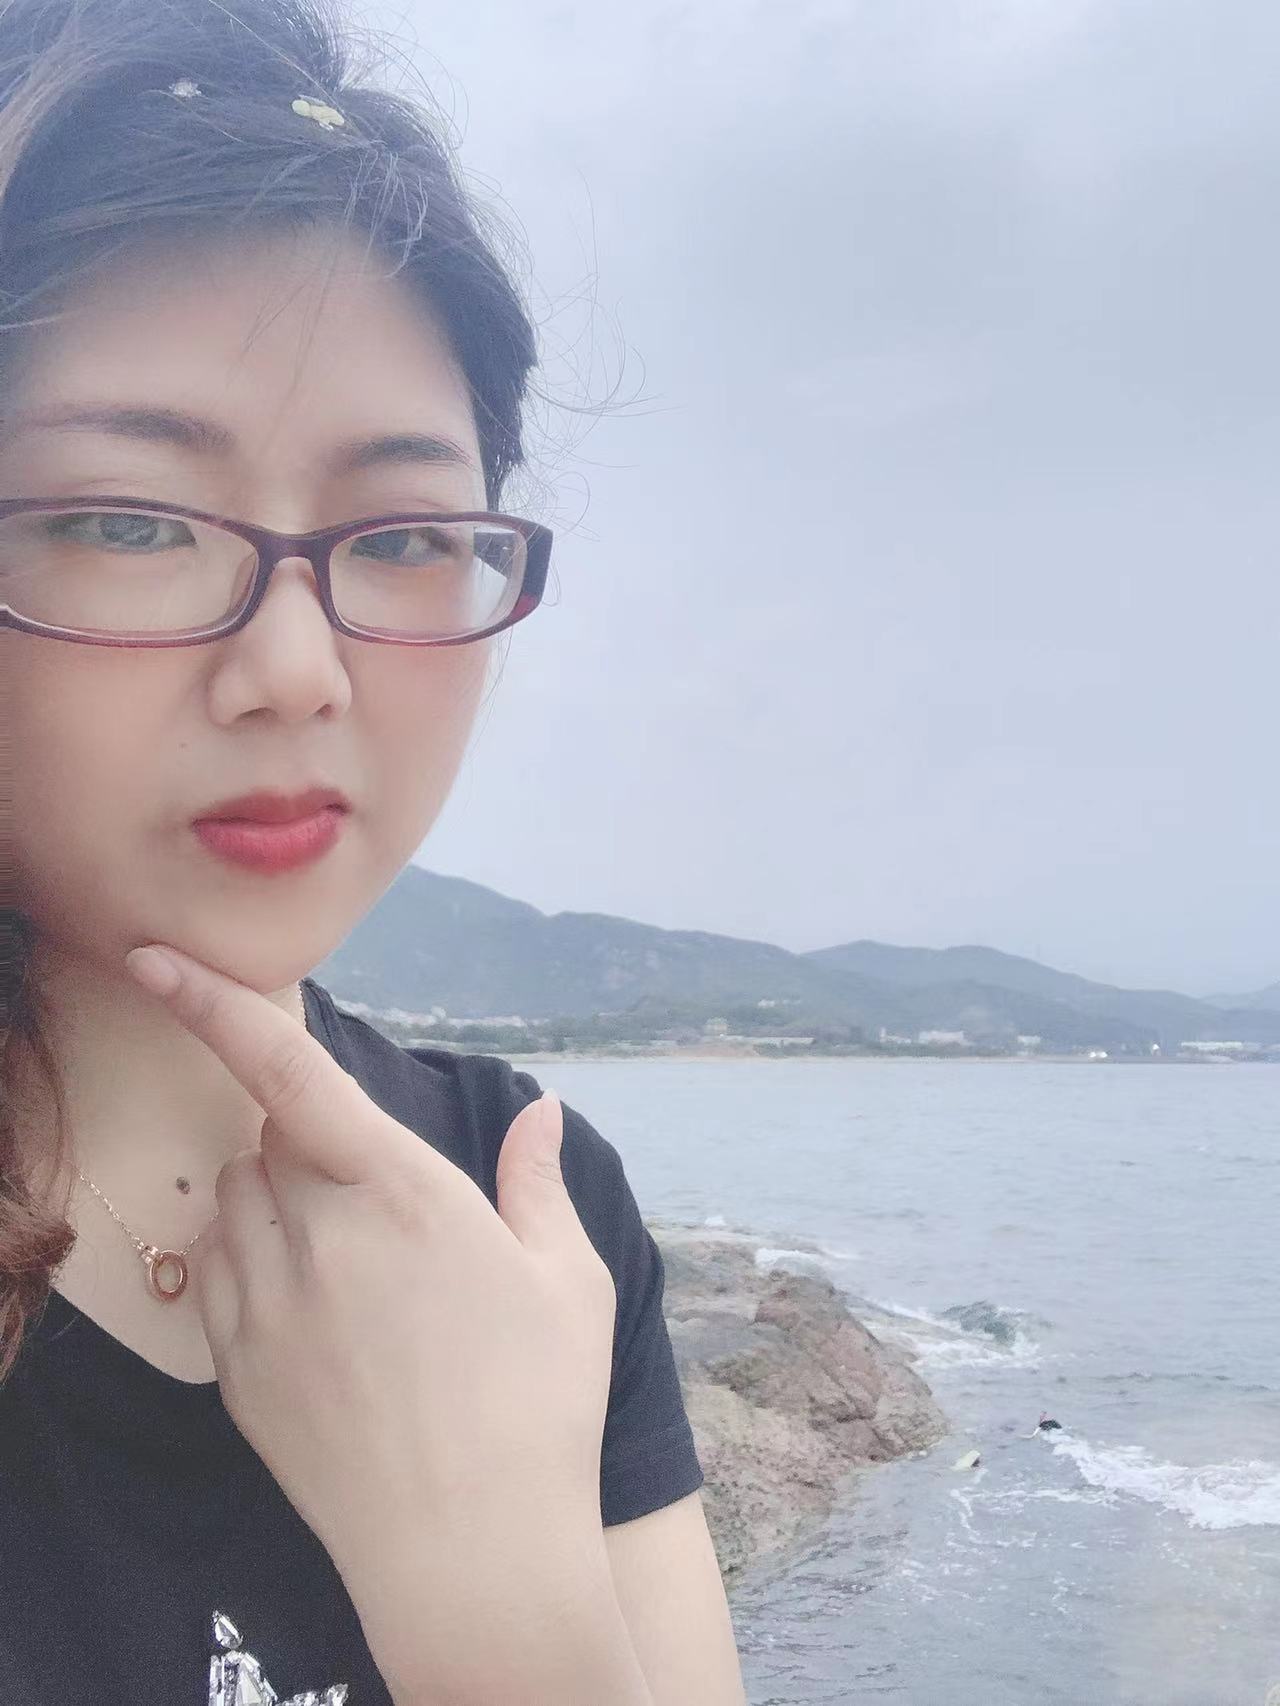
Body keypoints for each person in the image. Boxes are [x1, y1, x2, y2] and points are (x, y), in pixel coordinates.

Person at [0, 2, 747, 1701]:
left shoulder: (532, 1199)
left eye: (405, 535)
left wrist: (490, 1587)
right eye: (128, 520)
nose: (297, 669)